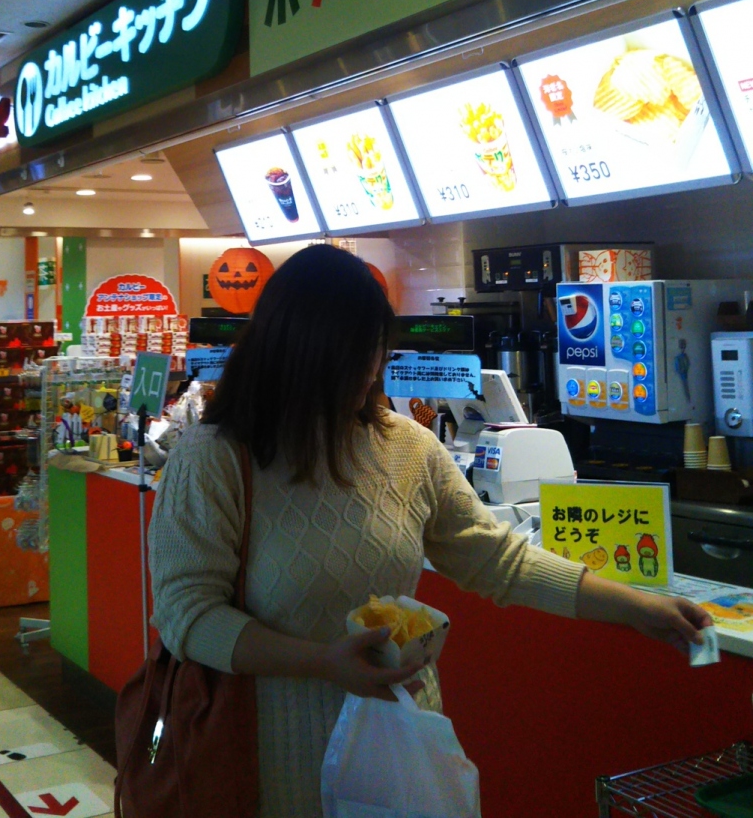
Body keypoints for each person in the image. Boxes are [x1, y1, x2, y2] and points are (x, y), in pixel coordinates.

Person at [148, 245, 712, 818]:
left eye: (375, 350)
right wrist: (321, 662)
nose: (369, 370)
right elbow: (186, 614)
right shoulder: (215, 459)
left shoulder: (407, 447)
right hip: (270, 765)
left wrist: (636, 607)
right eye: (350, 355)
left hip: (402, 754)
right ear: (293, 350)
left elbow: (497, 559)